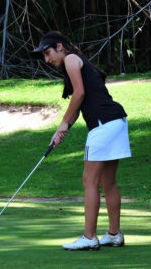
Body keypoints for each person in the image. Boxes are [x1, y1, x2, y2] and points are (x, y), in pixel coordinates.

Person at [31, 31, 131, 251]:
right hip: (116, 122)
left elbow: (79, 95)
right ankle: (114, 234)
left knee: (89, 181)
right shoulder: (78, 61)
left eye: (48, 53)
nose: (47, 60)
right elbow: (79, 102)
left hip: (103, 126)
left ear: (59, 46)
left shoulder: (70, 59)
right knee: (108, 182)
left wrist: (62, 124)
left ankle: (89, 237)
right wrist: (62, 130)